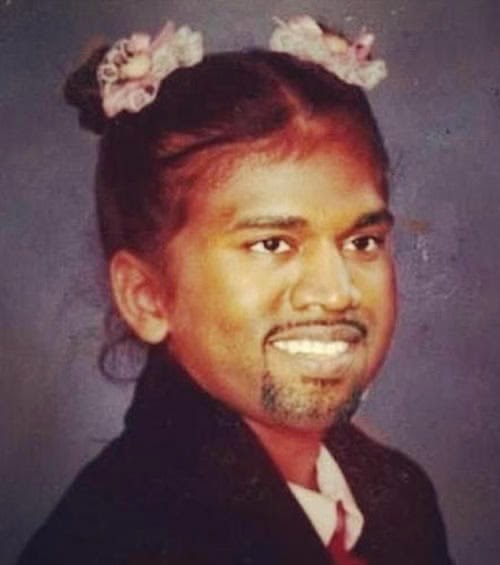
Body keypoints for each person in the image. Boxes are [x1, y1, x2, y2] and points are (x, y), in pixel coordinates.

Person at [18, 17, 453, 565]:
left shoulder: (399, 499)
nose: (336, 291)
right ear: (147, 297)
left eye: (362, 242)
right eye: (272, 244)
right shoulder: (117, 542)